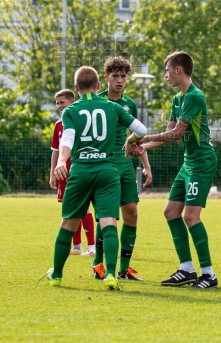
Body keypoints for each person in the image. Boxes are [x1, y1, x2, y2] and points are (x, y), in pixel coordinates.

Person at [44, 66, 146, 290]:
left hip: (81, 171)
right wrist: (130, 143)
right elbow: (141, 129)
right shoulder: (113, 107)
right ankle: (110, 274)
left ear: (76, 88)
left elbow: (67, 140)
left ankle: (58, 274)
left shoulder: (70, 111)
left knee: (68, 223)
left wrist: (62, 162)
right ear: (98, 85)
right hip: (108, 172)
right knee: (109, 222)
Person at [127, 51, 218, 289]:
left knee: (190, 216)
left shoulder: (194, 96)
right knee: (171, 212)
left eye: (167, 70)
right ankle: (187, 269)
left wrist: (143, 137)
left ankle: (209, 273)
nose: (165, 75)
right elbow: (168, 135)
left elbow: (177, 133)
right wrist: (144, 145)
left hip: (202, 162)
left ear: (178, 70)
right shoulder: (177, 99)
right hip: (189, 162)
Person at [91, 57, 152, 282]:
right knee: (106, 217)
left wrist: (146, 166)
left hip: (125, 162)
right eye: (115, 76)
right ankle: (98, 264)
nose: (119, 80)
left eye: (123, 76)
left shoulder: (130, 104)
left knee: (132, 214)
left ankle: (124, 269)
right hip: (104, 162)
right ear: (105, 78)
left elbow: (136, 136)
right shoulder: (96, 101)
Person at [49, 89, 96, 257]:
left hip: (80, 169)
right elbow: (55, 151)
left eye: (62, 102)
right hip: (63, 173)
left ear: (71, 101)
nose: (59, 106)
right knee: (69, 208)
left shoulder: (81, 120)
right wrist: (52, 173)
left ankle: (92, 246)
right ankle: (77, 246)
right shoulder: (58, 125)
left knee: (85, 209)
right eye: (57, 103)